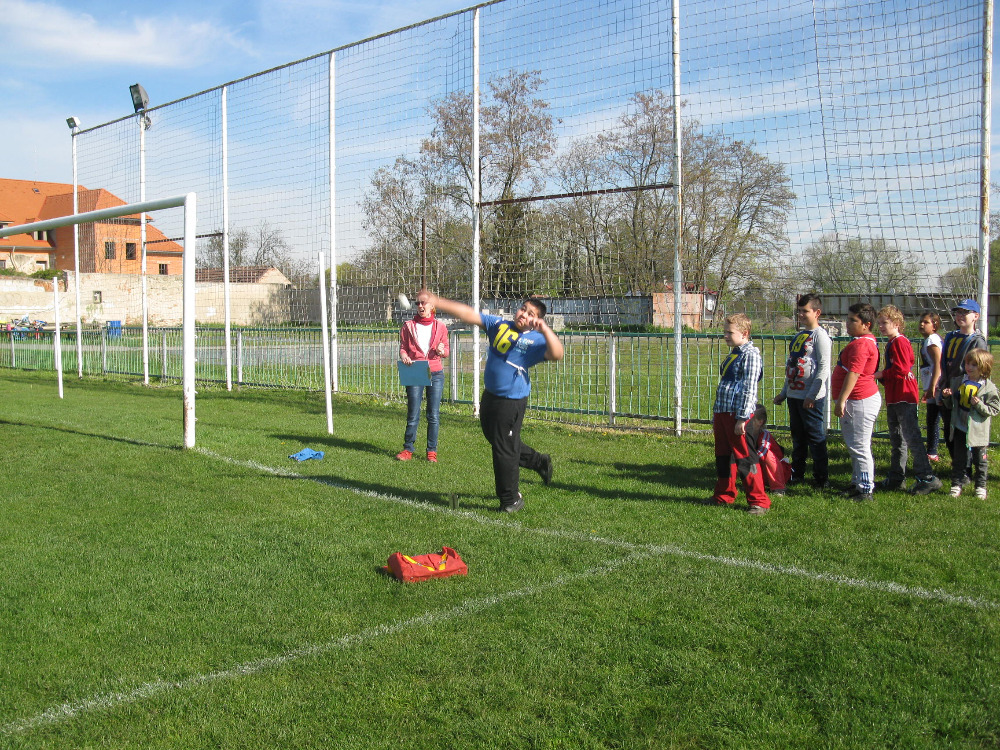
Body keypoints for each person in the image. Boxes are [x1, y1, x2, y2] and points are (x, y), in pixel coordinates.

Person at [423, 293, 564, 513]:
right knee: (499, 441)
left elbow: (557, 354)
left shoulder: (536, 339)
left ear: (537, 321)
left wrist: (544, 329)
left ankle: (510, 499)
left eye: (531, 314)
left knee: (503, 449)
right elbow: (469, 314)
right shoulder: (499, 325)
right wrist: (437, 301)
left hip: (511, 401)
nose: (524, 315)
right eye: (523, 309)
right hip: (490, 396)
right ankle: (538, 462)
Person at [872, 305, 942, 495]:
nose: (881, 326)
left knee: (911, 437)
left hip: (903, 395)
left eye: (885, 323)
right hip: (894, 395)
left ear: (896, 323)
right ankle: (897, 477)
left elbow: (902, 369)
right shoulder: (892, 343)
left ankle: (927, 477)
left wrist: (880, 374)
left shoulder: (900, 342)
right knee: (897, 439)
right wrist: (885, 377)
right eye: (879, 323)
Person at [711, 313, 771, 514]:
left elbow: (749, 389)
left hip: (737, 415)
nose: (725, 336)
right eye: (725, 332)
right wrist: (718, 414)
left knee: (745, 457)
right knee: (723, 456)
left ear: (744, 333)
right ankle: (724, 495)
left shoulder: (750, 355)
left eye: (730, 332)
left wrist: (742, 418)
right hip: (723, 412)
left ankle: (758, 500)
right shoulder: (735, 352)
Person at [773, 292, 831, 489]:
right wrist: (784, 392)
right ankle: (797, 473)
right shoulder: (799, 336)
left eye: (805, 311)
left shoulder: (820, 336)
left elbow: (823, 368)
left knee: (815, 437)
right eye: (799, 311)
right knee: (798, 437)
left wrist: (812, 395)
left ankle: (821, 478)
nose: (801, 315)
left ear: (817, 313)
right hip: (794, 395)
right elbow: (792, 366)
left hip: (810, 397)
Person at [832, 302, 881, 502]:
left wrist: (842, 400)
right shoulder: (861, 341)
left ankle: (865, 489)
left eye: (853, 320)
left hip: (859, 400)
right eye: (848, 319)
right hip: (856, 399)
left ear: (866, 324)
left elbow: (854, 373)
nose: (848, 323)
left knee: (860, 446)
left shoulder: (862, 344)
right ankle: (857, 482)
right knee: (854, 445)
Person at [396, 290, 450, 462]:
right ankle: (408, 449)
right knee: (413, 413)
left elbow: (446, 351)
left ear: (432, 305)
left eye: (423, 303)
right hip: (416, 370)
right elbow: (403, 347)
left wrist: (441, 351)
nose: (420, 306)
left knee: (433, 415)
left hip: (436, 373)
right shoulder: (408, 326)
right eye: (417, 303)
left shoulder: (440, 327)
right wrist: (404, 356)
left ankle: (431, 451)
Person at [939, 299, 987, 486]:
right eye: (958, 312)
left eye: (965, 312)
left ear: (976, 316)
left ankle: (966, 471)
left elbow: (979, 367)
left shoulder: (977, 340)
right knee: (949, 431)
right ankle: (959, 465)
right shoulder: (951, 336)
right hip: (948, 388)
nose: (960, 316)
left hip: (965, 391)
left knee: (963, 431)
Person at [941, 349, 999, 499]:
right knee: (959, 459)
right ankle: (956, 485)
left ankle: (980, 487)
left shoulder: (988, 387)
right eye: (967, 363)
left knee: (980, 461)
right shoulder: (958, 381)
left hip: (978, 431)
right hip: (960, 427)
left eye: (974, 365)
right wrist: (946, 396)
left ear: (984, 367)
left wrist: (979, 405)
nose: (969, 367)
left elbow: (994, 409)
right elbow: (950, 405)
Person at [744, 404, 792, 495]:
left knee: (768, 455)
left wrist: (748, 459)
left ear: (760, 422)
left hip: (779, 471)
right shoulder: (745, 434)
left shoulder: (765, 435)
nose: (745, 423)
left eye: (749, 420)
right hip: (760, 470)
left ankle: (778, 488)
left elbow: (763, 451)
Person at [918, 312, 943, 462]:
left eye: (926, 322)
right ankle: (931, 451)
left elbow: (938, 364)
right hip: (933, 384)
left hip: (938, 385)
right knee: (932, 417)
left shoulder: (932, 341)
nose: (921, 324)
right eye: (921, 321)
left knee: (937, 417)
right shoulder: (929, 340)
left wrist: (933, 385)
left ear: (934, 325)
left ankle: (934, 450)